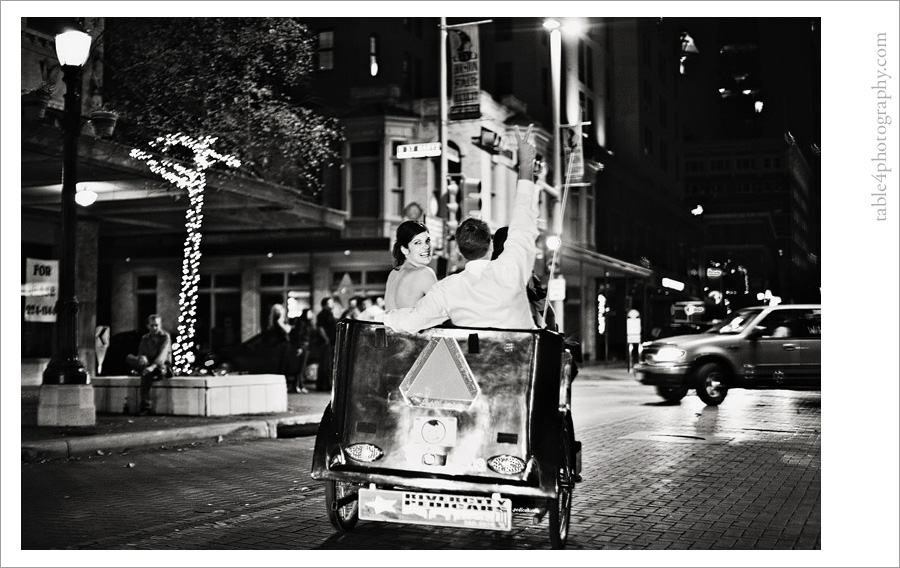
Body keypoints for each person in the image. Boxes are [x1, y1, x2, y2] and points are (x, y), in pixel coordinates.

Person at [383, 124, 538, 333]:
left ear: (459, 250)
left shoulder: (446, 289)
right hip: (520, 359)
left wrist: (387, 317)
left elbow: (410, 322)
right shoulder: (511, 268)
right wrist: (526, 163)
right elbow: (523, 217)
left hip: (476, 363)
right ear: (491, 244)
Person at [491, 226, 557, 331]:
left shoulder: (485, 272)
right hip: (523, 337)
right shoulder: (525, 274)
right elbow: (547, 312)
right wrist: (553, 330)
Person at [384, 220, 438, 310]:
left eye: (427, 241)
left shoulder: (393, 274)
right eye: (417, 242)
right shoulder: (424, 273)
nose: (426, 246)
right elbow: (443, 312)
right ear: (404, 249)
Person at [126, 314, 173, 415]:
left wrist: (152, 367)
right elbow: (141, 352)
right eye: (152, 325)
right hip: (148, 364)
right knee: (129, 357)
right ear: (148, 326)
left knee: (146, 374)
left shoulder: (165, 337)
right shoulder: (145, 338)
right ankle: (144, 369)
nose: (154, 328)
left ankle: (145, 407)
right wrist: (141, 357)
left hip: (161, 366)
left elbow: (163, 355)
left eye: (157, 325)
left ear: (160, 325)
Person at [287, 308, 315, 393]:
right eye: (310, 313)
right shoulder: (301, 323)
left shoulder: (307, 323)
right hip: (302, 345)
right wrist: (299, 347)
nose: (311, 315)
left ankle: (299, 385)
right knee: (300, 366)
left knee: (302, 366)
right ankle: (297, 385)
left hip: (306, 345)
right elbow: (298, 335)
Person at [316, 297, 338, 392]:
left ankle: (326, 384)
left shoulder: (330, 313)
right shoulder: (322, 314)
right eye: (330, 302)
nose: (332, 304)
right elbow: (320, 327)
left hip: (330, 341)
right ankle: (324, 385)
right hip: (326, 342)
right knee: (326, 363)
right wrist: (326, 338)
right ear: (325, 304)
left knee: (328, 363)